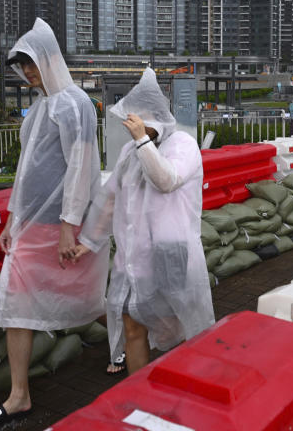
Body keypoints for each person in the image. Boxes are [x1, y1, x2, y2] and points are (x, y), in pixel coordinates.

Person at [0, 18, 107, 430]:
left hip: (58, 226)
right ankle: (20, 396)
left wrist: (70, 225)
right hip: (32, 228)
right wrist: (12, 220)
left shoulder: (74, 103)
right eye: (23, 66)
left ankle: (131, 337)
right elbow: (26, 171)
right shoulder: (40, 108)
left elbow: (81, 168)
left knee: (92, 300)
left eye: (33, 63)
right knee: (17, 302)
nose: (29, 73)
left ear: (51, 59)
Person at [74, 68, 215, 374]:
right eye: (130, 120)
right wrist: (88, 241)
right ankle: (137, 393)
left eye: (138, 119)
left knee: (183, 326)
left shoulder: (182, 145)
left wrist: (142, 141)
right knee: (133, 326)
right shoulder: (128, 152)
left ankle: (190, 383)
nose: (131, 126)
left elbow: (167, 179)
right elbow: (110, 197)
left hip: (171, 253)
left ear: (155, 116)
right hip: (134, 259)